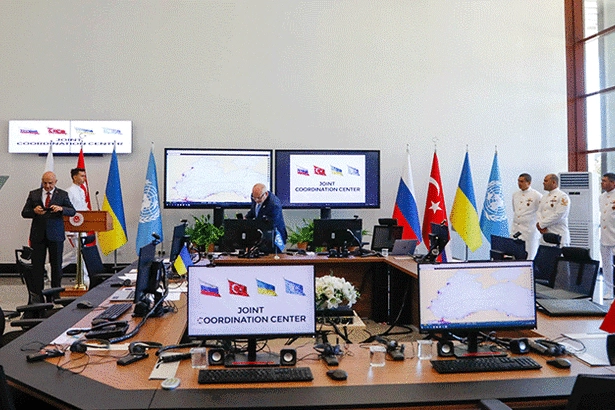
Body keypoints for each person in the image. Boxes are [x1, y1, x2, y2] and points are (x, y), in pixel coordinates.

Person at [21, 171, 76, 299]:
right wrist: (34, 211)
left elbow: (72, 211)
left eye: (50, 183)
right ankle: (37, 296)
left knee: (56, 266)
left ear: (55, 182)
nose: (47, 186)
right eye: (45, 183)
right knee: (37, 266)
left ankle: (55, 295)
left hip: (55, 235)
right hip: (38, 235)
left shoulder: (62, 194)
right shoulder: (34, 194)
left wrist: (61, 209)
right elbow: (24, 212)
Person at [64, 168, 90, 285]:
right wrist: (69, 229)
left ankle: (52, 267)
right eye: (82, 176)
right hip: (74, 226)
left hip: (82, 225)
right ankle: (84, 277)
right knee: (80, 252)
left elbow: (83, 208)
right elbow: (68, 210)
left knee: (79, 251)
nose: (84, 178)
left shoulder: (82, 191)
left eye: (84, 176)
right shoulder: (69, 191)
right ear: (75, 177)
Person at [512, 173, 542, 259]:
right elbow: (515, 210)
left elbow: (541, 212)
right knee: (515, 255)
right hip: (516, 229)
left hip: (529, 230)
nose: (519, 183)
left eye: (522, 181)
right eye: (518, 181)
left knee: (530, 256)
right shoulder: (515, 194)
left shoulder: (537, 195)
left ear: (528, 183)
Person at [536, 173, 570, 246]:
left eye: (546, 181)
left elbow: (559, 215)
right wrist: (539, 225)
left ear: (553, 182)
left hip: (558, 234)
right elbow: (539, 212)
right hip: (545, 235)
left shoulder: (562, 196)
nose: (543, 183)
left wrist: (542, 224)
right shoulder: (544, 197)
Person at [599, 172, 615, 299]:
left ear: (613, 183)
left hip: (614, 234)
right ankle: (609, 289)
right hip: (605, 235)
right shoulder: (602, 197)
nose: (602, 183)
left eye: (604, 181)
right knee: (606, 264)